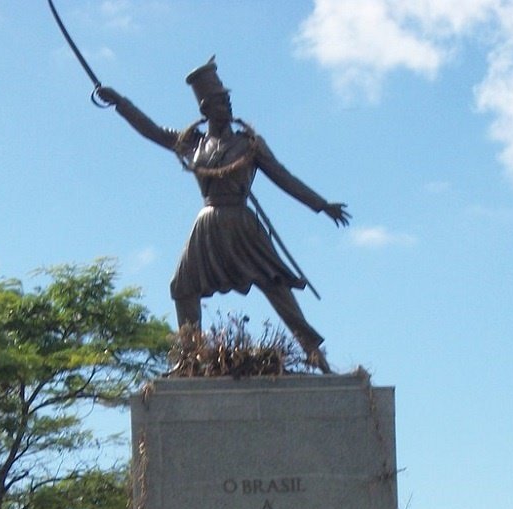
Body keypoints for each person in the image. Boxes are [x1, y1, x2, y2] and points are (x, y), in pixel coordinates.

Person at [96, 58, 350, 373]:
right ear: (205, 110)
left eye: (227, 100)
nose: (226, 105)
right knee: (183, 286)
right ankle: (189, 360)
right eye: (219, 102)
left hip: (241, 222)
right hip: (207, 225)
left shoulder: (249, 144)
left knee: (276, 286)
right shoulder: (192, 143)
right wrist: (121, 103)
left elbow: (283, 177)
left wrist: (321, 205)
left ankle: (317, 358)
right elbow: (152, 130)